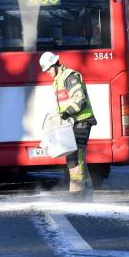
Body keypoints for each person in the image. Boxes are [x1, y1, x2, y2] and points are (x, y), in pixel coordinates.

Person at [39, 51, 97, 196]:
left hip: (82, 120)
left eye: (48, 69)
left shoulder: (69, 77)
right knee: (75, 156)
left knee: (74, 157)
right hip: (74, 121)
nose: (47, 73)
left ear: (55, 65)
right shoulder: (58, 80)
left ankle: (78, 192)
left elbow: (80, 98)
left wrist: (67, 113)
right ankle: (87, 192)